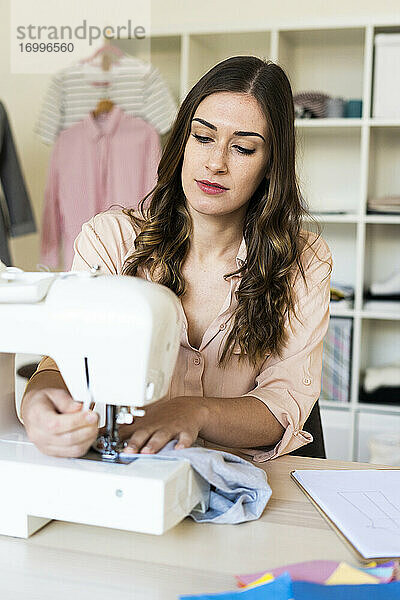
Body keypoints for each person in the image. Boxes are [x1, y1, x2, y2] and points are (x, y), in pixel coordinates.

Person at [21, 56, 332, 462]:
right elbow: (62, 361)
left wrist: (194, 411)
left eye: (242, 148)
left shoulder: (303, 262)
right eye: (202, 138)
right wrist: (38, 405)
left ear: (271, 164)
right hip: (136, 468)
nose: (215, 163)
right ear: (182, 142)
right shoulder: (111, 241)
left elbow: (283, 402)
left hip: (247, 477)